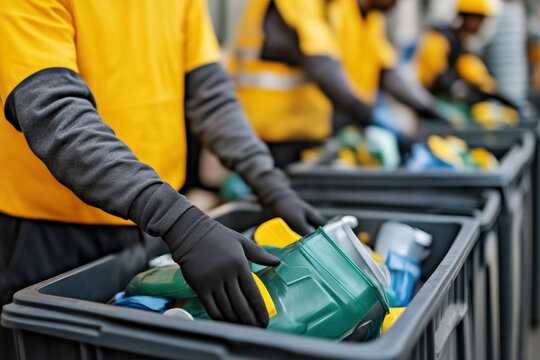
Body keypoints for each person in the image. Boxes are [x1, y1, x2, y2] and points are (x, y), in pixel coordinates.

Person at [0, 0, 325, 357]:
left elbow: (210, 96)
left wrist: (268, 181)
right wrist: (180, 222)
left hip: (149, 221)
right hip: (49, 228)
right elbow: (54, 112)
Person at [229, 0, 443, 169]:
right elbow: (323, 65)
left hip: (308, 126)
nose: (398, 3)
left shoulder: (336, 8)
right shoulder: (301, 4)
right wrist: (369, 117)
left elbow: (385, 71)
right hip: (271, 129)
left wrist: (428, 109)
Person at [414, 0, 519, 127]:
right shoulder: (438, 38)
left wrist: (498, 97)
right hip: (432, 107)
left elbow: (477, 77)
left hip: (449, 105)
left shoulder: (461, 45)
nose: (482, 25)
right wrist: (463, 91)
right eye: (480, 19)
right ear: (468, 17)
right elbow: (436, 76)